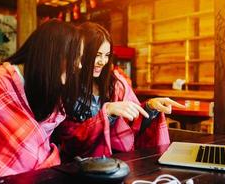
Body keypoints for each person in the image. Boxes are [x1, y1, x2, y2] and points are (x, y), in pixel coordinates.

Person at [0, 19, 83, 176]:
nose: (79, 65)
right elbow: (22, 145)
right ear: (55, 55)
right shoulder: (2, 80)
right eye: (75, 57)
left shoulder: (47, 83)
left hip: (36, 173)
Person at [57, 22, 185, 161]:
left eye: (106, 55)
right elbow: (69, 142)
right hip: (76, 167)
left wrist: (150, 107)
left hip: (115, 164)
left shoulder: (116, 84)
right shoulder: (66, 86)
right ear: (81, 53)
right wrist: (106, 113)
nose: (102, 61)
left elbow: (131, 126)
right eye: (97, 54)